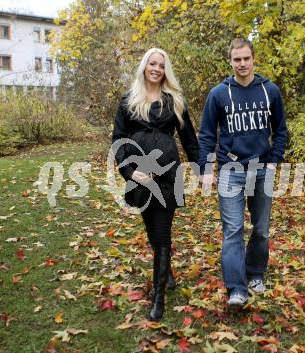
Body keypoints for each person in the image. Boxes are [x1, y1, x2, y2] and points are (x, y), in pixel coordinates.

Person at [198, 38, 287, 307]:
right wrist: (206, 168)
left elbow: (280, 130)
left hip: (262, 169)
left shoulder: (270, 90)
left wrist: (273, 162)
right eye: (237, 59)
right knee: (233, 230)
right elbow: (206, 134)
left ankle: (255, 273)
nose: (242, 64)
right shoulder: (219, 94)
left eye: (246, 58)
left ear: (253, 59)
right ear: (230, 62)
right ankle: (236, 288)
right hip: (230, 170)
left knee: (260, 229)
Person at [112, 48, 199, 321]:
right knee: (152, 231)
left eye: (161, 65)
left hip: (167, 174)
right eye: (152, 63)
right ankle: (168, 273)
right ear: (144, 66)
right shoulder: (129, 100)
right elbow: (117, 140)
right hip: (139, 176)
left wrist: (202, 168)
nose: (156, 68)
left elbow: (189, 140)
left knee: (162, 233)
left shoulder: (174, 101)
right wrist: (129, 171)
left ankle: (159, 297)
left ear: (165, 70)